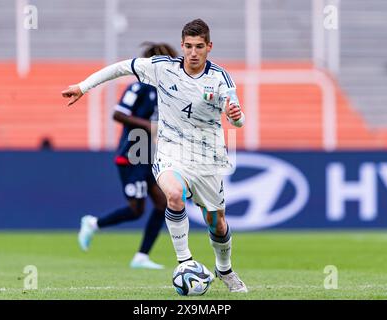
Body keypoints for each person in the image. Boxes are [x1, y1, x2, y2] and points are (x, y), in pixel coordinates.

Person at [62, 19, 248, 292]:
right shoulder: (163, 68)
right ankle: (184, 261)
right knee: (172, 195)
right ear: (182, 46)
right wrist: (83, 86)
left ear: (209, 47)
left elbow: (238, 119)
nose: (193, 52)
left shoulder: (220, 78)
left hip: (207, 157)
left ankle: (225, 269)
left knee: (217, 224)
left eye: (199, 47)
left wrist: (237, 117)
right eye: (188, 46)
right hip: (170, 151)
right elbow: (121, 67)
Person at [76, 42, 179, 270]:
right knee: (136, 210)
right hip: (132, 155)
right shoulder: (139, 87)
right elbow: (118, 114)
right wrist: (150, 127)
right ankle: (93, 223)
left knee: (163, 204)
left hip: (150, 155)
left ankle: (141, 256)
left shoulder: (167, 90)